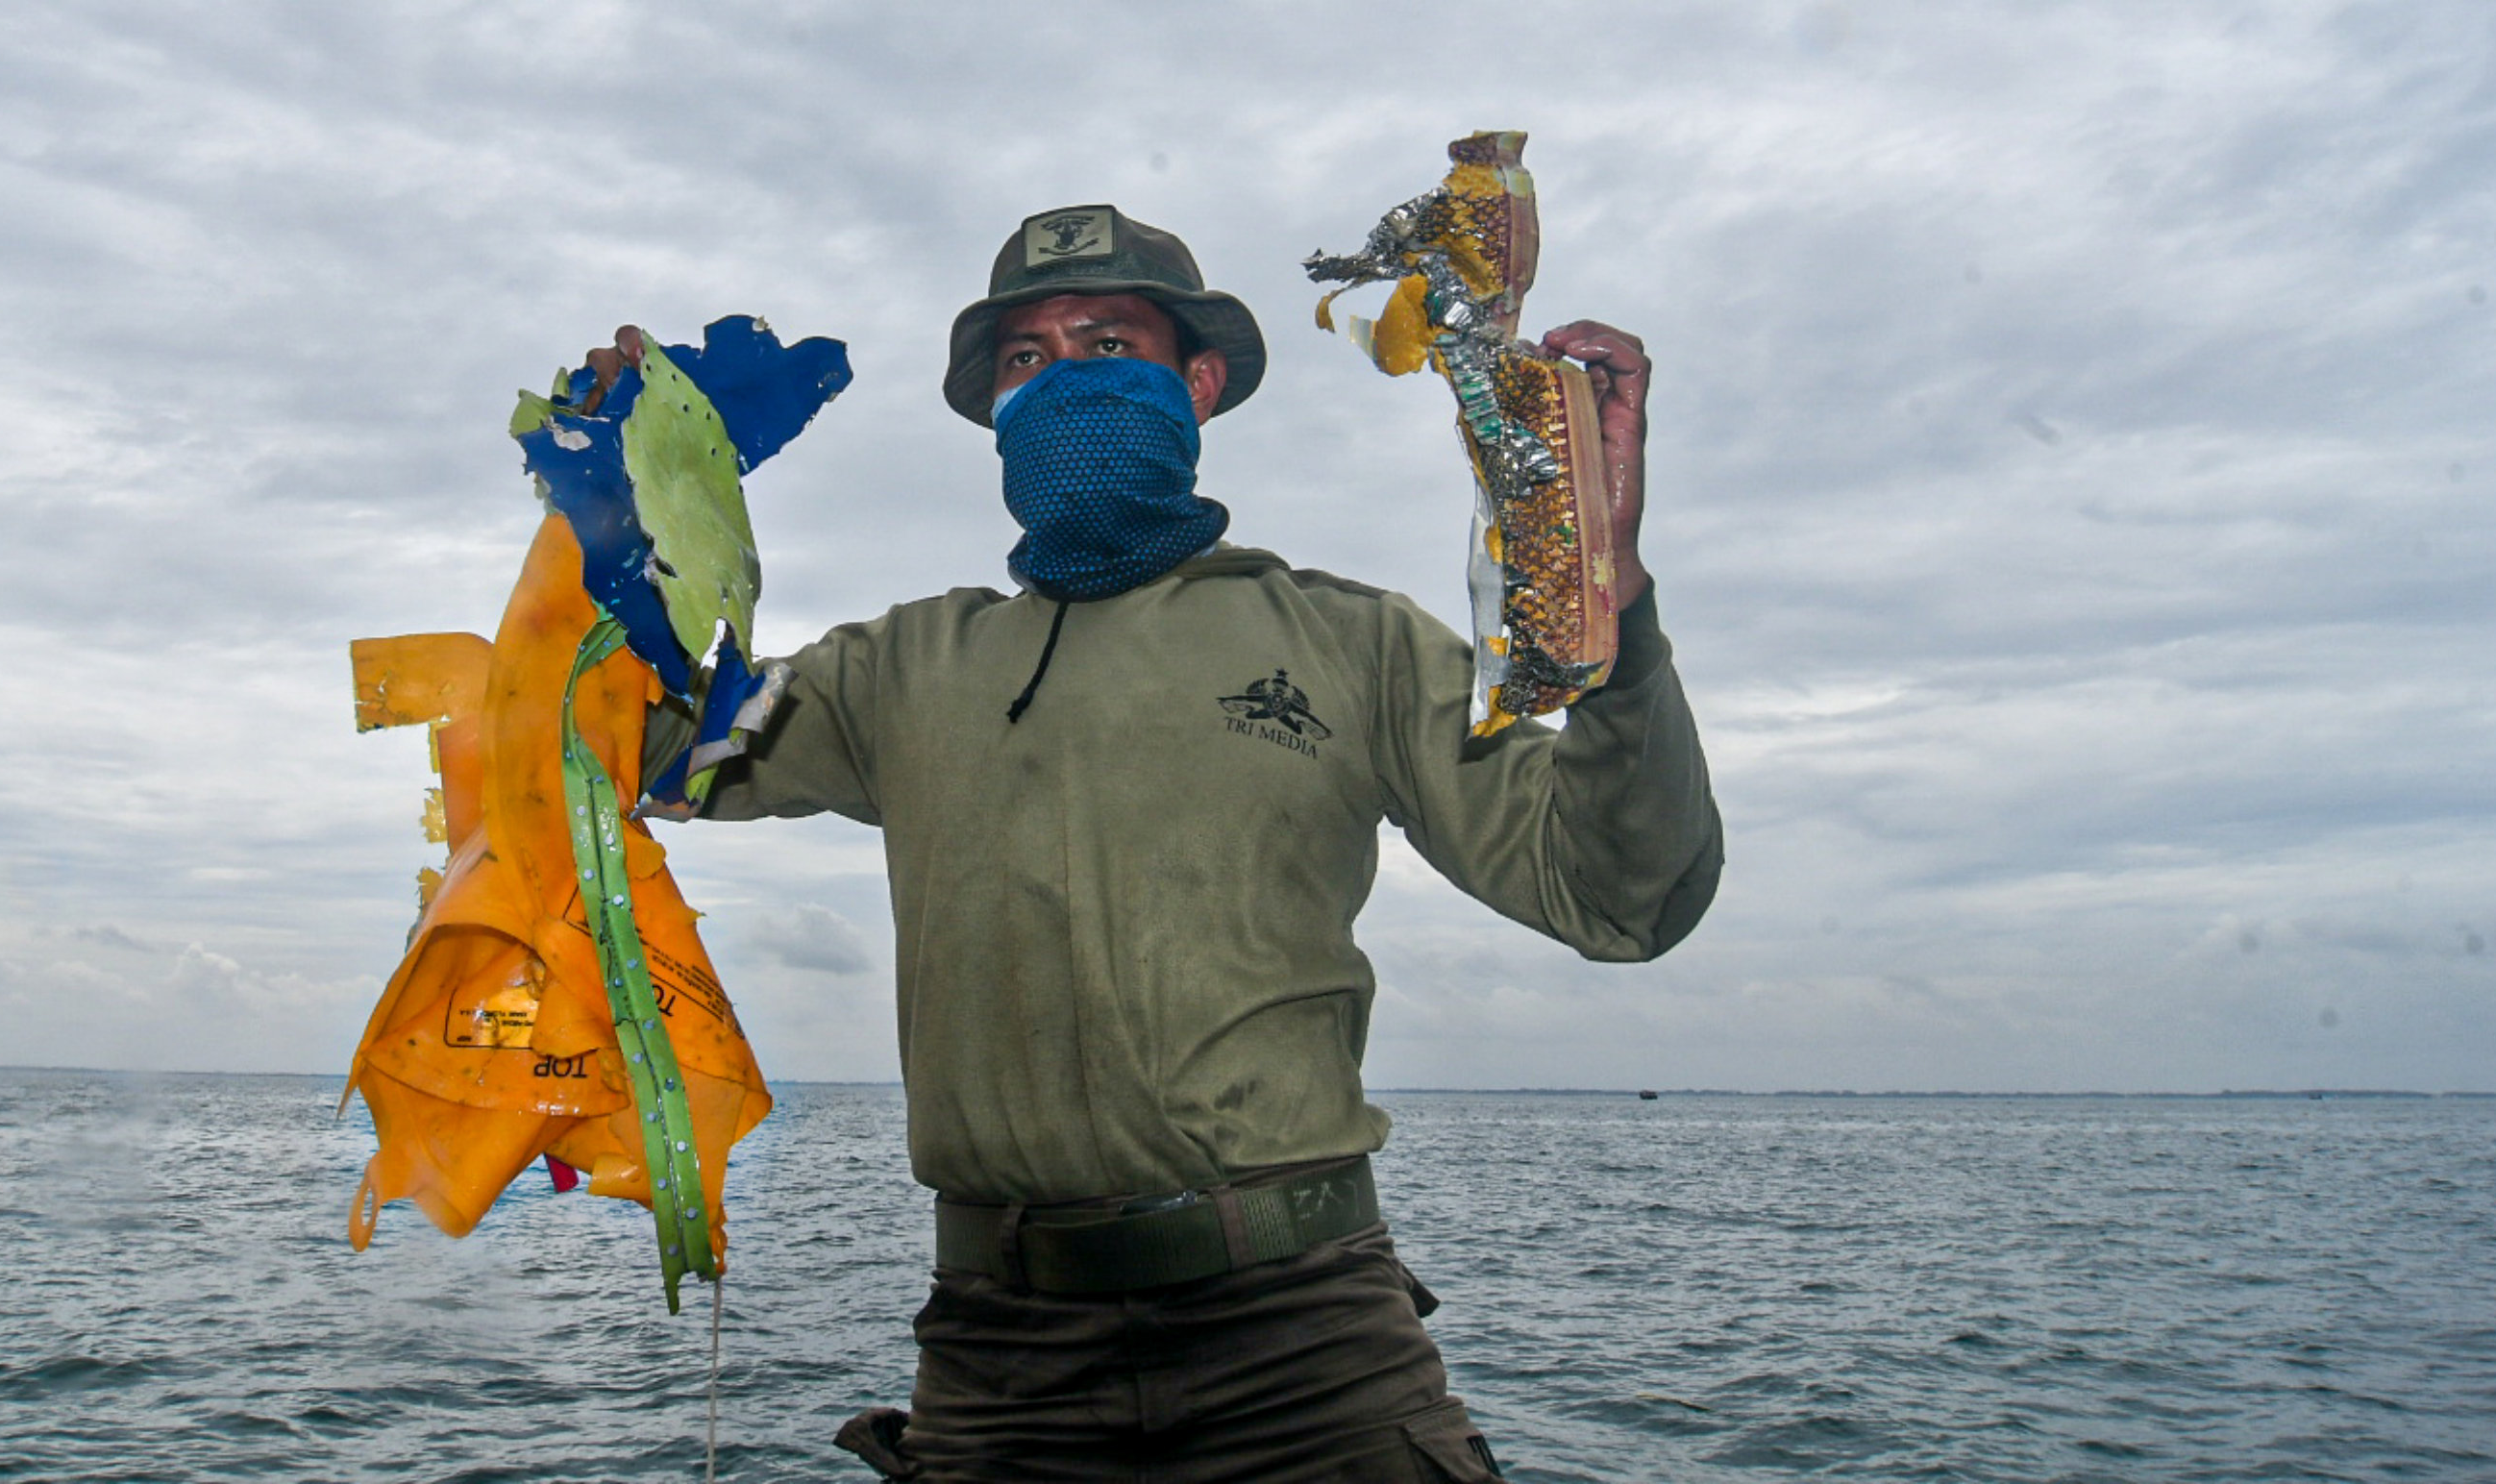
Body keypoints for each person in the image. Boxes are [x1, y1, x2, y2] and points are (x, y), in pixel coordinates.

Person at [653, 205, 1722, 1482]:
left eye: (1109, 341)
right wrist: (624, 504)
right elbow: (654, 754)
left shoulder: (1355, 643)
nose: (1065, 379)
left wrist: (1601, 581)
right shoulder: (892, 671)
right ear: (994, 413)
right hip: (1000, 1364)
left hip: (1308, 1344)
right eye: (1026, 362)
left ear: (1198, 384)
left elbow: (1621, 894)